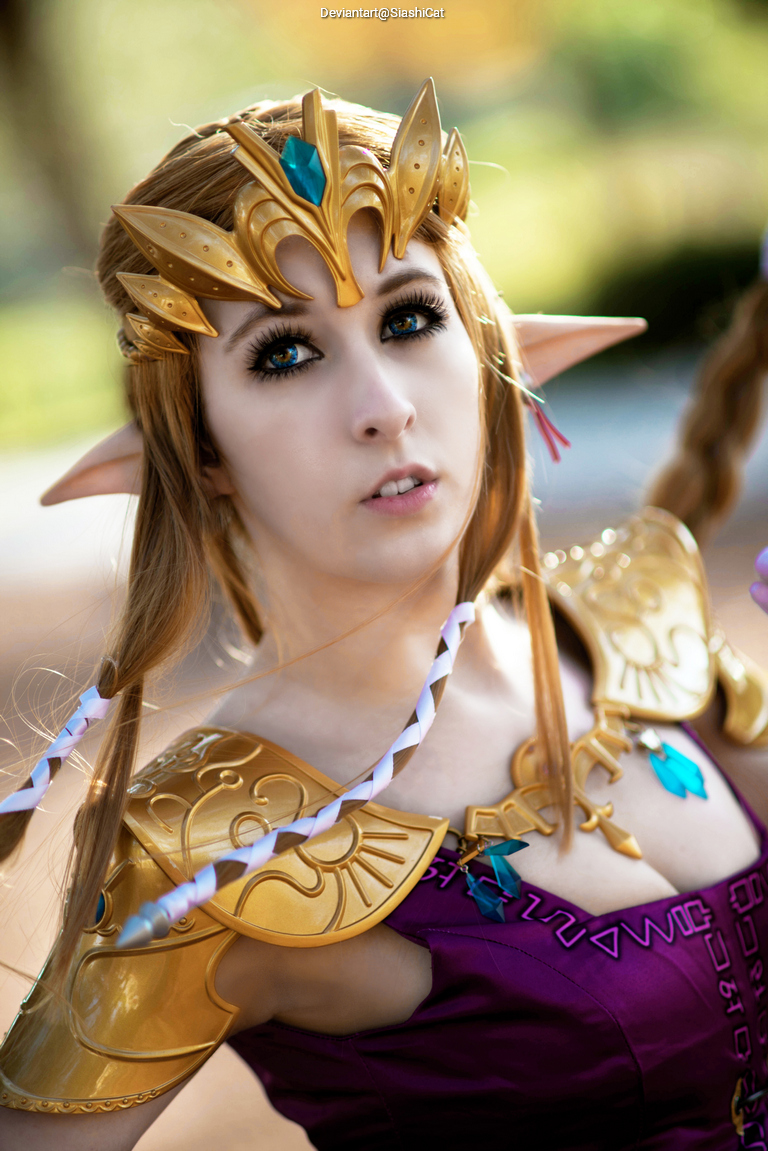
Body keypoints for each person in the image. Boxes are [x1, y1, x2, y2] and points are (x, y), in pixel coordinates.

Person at [1, 80, 767, 1151]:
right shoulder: (208, 847)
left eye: (409, 319)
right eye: (285, 353)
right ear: (201, 447)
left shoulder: (635, 625)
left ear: (485, 343)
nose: (385, 406)